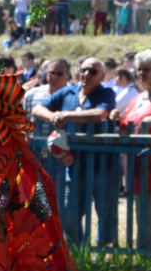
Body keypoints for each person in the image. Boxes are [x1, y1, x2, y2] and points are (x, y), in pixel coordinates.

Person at [33, 56, 116, 243]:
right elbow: (38, 109)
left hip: (102, 165)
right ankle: (75, 249)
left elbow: (99, 114)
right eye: (84, 70)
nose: (87, 74)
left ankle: (102, 250)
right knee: (71, 211)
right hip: (74, 164)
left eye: (93, 71)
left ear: (102, 76)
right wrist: (53, 116)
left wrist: (67, 115)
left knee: (104, 211)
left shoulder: (106, 94)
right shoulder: (68, 92)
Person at [118, 49, 151, 250]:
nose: (141, 74)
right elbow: (126, 128)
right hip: (136, 165)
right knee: (140, 209)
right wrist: (118, 122)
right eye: (139, 70)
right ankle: (144, 249)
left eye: (147, 69)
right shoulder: (136, 99)